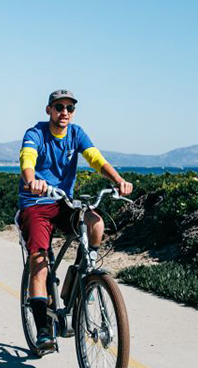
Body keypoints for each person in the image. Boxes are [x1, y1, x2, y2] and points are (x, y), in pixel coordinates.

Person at [18, 89, 133, 350]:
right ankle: (44, 330)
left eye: (70, 108)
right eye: (59, 107)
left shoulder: (76, 133)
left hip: (63, 203)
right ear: (49, 110)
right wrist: (31, 180)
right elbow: (28, 159)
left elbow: (95, 158)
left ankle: (80, 280)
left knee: (95, 223)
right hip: (36, 203)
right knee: (39, 261)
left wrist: (118, 180)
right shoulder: (35, 133)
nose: (64, 113)